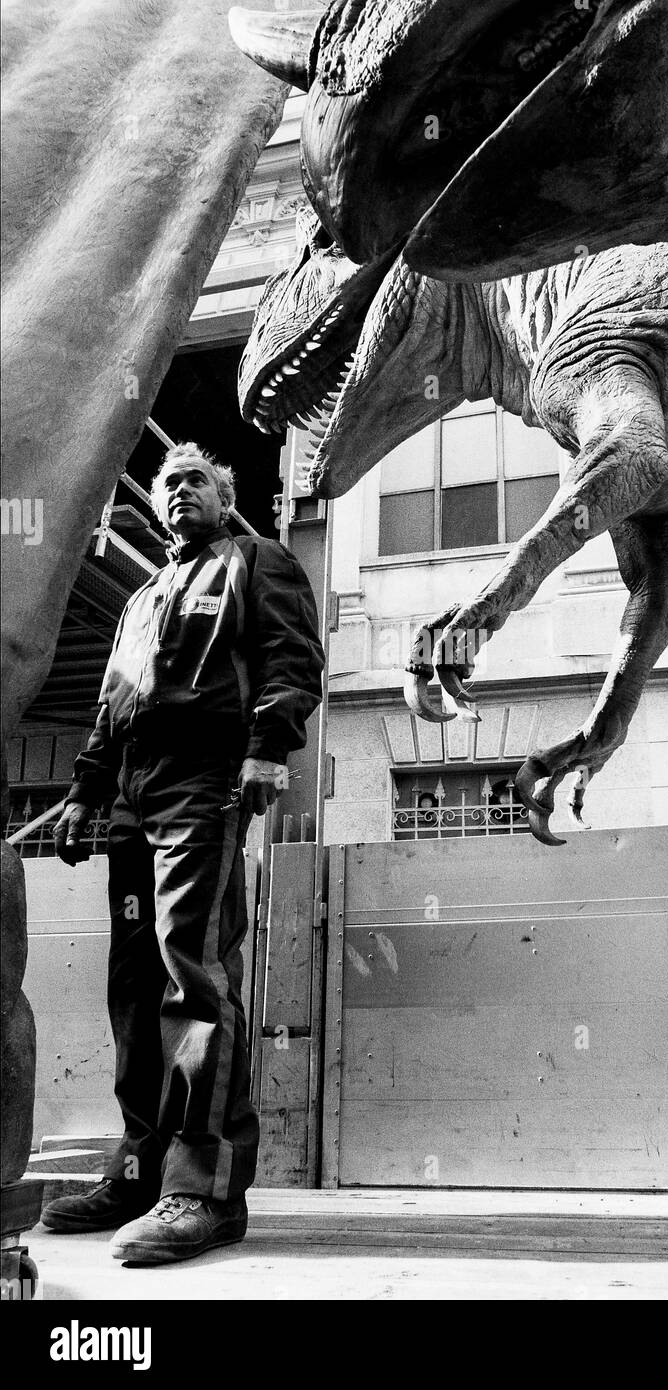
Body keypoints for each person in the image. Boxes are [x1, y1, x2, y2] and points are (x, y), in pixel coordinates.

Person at [40, 443, 324, 1264]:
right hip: (134, 792)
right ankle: (137, 1171)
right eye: (167, 485)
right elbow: (112, 705)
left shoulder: (256, 560)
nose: (177, 493)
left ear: (223, 496)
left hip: (206, 782)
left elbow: (291, 658)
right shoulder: (139, 600)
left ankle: (204, 1190)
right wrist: (87, 789)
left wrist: (269, 746)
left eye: (194, 481)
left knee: (190, 969)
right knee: (133, 985)